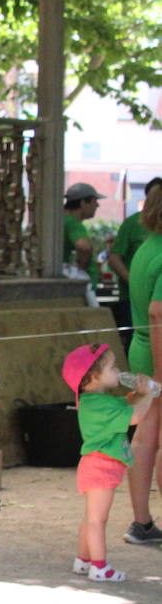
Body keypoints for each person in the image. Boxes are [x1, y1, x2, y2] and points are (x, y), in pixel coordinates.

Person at [62, 344, 155, 583]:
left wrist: (137, 394)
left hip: (98, 467)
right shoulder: (97, 405)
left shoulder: (97, 401)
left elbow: (126, 406)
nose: (118, 371)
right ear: (94, 377)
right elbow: (135, 416)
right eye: (112, 368)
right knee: (97, 520)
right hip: (100, 468)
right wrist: (148, 395)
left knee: (90, 517)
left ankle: (83, 560)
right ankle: (100, 567)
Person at [123, 183, 162, 545]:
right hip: (156, 352)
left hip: (140, 347)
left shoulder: (146, 248)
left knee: (145, 436)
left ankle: (141, 522)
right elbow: (158, 312)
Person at [107, 177, 162, 349]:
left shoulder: (147, 247)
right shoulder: (134, 226)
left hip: (143, 343)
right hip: (152, 344)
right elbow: (157, 314)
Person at [63, 182, 102, 282]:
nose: (97, 205)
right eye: (94, 201)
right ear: (83, 202)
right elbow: (84, 247)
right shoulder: (73, 223)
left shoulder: (62, 220)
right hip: (81, 287)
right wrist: (82, 268)